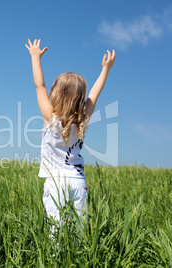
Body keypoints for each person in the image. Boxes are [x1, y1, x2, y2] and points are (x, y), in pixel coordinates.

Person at [25, 39, 115, 230]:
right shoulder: (82, 119)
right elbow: (95, 94)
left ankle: (55, 259)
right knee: (79, 232)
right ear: (80, 98)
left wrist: (35, 58)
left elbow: (39, 85)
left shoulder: (50, 117)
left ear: (55, 92)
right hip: (77, 181)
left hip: (55, 183)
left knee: (55, 231)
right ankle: (80, 258)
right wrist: (105, 69)